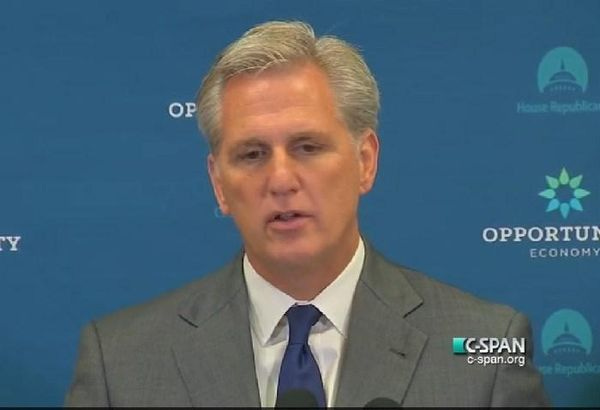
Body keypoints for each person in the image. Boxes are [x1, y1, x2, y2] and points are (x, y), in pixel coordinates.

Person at [66, 21, 549, 406]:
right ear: (219, 184)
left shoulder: (484, 346)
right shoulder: (120, 363)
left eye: (308, 147)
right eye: (252, 154)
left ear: (365, 161)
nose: (281, 180)